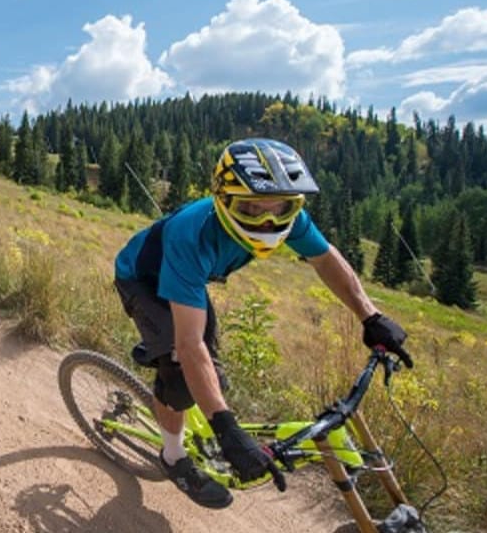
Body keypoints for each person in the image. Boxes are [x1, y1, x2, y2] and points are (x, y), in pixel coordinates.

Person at [113, 138, 413, 509]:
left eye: (281, 208)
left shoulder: (291, 220)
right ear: (223, 200)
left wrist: (371, 316)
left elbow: (325, 260)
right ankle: (173, 457)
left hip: (185, 281)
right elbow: (191, 346)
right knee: (179, 373)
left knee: (208, 376)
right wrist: (227, 429)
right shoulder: (190, 234)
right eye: (252, 208)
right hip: (144, 280)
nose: (269, 220)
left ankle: (197, 416)